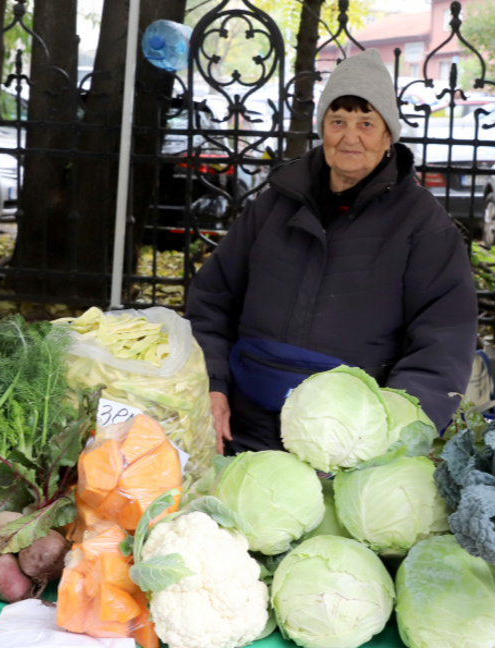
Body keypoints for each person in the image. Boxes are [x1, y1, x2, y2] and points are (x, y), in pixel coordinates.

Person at [185, 48, 478, 455]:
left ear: (388, 136)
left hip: (350, 448)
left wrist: (387, 435)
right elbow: (211, 302)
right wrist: (211, 385)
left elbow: (444, 342)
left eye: (366, 123)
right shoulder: (274, 205)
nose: (350, 137)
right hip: (243, 431)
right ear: (323, 127)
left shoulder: (422, 225)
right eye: (338, 121)